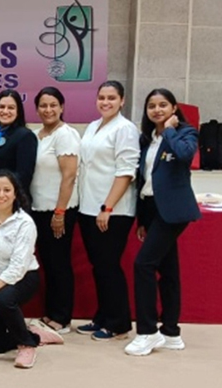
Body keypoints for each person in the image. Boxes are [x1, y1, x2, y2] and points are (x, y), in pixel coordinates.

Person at [124, 89, 201, 356]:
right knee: (168, 270)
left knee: (143, 264)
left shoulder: (184, 134)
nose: (157, 110)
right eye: (152, 106)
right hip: (153, 209)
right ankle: (170, 332)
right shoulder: (148, 140)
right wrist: (143, 220)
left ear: (174, 108)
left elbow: (184, 155)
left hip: (175, 210)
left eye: (163, 105)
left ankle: (147, 332)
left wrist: (170, 130)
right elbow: (146, 180)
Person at [0, 170, 64, 369]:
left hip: (22, 278)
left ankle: (27, 344)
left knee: (5, 299)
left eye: (7, 190)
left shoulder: (25, 223)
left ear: (16, 193)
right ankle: (34, 333)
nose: (1, 194)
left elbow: (17, 267)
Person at [76, 80, 140, 341]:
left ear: (122, 100)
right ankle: (102, 317)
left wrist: (108, 206)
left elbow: (126, 171)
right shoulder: (93, 126)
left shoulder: (125, 129)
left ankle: (119, 323)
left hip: (113, 210)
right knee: (99, 266)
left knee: (109, 266)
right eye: (102, 97)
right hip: (89, 207)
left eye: (111, 98)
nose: (106, 102)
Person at [29, 87, 80, 334]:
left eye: (53, 105)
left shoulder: (65, 135)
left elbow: (69, 175)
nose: (48, 110)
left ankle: (62, 317)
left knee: (59, 263)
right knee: (47, 262)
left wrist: (60, 212)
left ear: (61, 107)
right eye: (43, 105)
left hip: (58, 210)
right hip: (38, 208)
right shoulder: (38, 135)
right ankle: (50, 313)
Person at [0, 89, 37, 198]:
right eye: (1, 107)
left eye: (11, 108)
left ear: (18, 111)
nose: (5, 111)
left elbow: (23, 176)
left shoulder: (25, 136)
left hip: (11, 200)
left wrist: (5, 195)